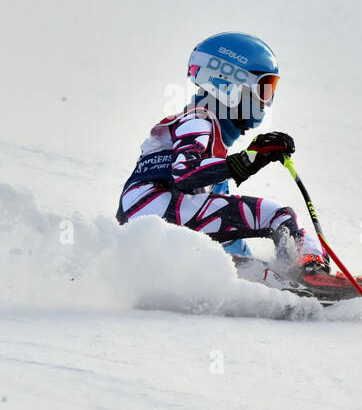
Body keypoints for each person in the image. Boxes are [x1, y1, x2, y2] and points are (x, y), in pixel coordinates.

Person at [116, 32, 341, 285]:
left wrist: (254, 271)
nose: (265, 101)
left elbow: (227, 233)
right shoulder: (198, 119)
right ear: (228, 84)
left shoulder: (210, 144)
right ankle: (310, 271)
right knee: (278, 215)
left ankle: (288, 278)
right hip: (158, 210)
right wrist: (248, 160)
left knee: (243, 261)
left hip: (148, 226)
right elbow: (184, 173)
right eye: (263, 88)